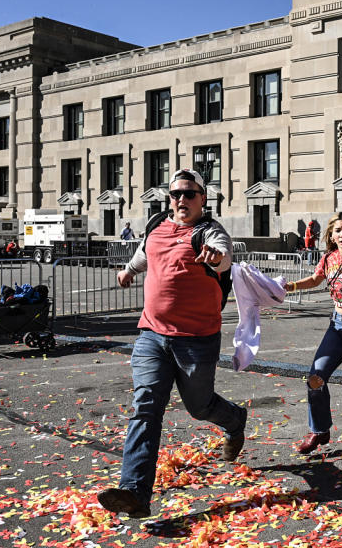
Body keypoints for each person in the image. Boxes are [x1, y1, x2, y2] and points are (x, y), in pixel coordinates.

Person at [97, 168, 247, 519]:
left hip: (196, 340)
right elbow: (145, 253)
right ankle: (135, 492)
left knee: (199, 406)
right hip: (151, 335)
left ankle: (235, 419)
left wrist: (216, 258)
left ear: (203, 199)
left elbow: (224, 254)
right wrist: (129, 271)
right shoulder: (155, 226)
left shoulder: (208, 232)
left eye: (189, 194)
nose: (181, 199)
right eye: (175, 193)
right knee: (146, 407)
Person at [282, 212, 342, 455]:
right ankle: (319, 430)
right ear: (331, 235)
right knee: (315, 378)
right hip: (337, 325)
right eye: (338, 230)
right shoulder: (329, 258)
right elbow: (316, 279)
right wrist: (290, 286)